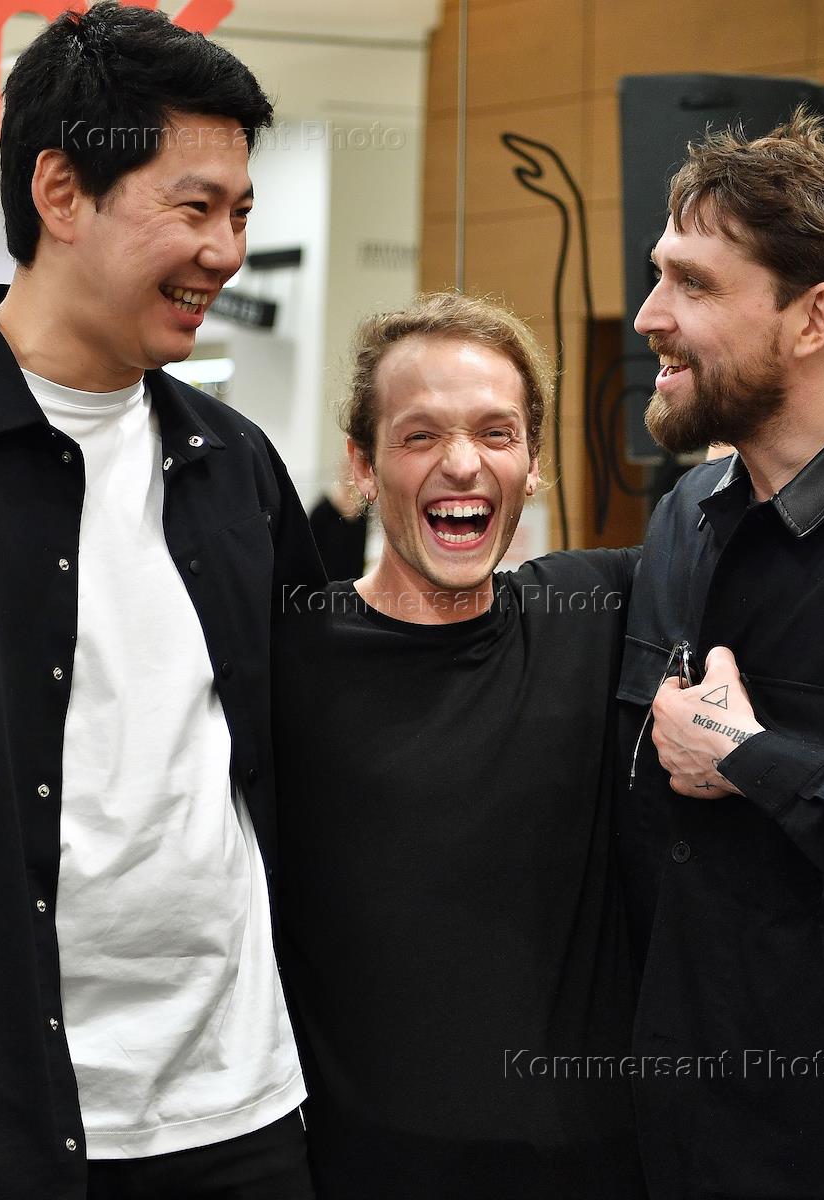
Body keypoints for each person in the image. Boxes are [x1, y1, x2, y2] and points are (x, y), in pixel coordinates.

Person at [0, 6, 324, 1198]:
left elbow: (310, 734)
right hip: (12, 1123)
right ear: (61, 193)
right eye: (194, 206)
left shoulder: (235, 464)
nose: (226, 252)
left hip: (241, 1109)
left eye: (240, 214)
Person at [618, 107, 824, 1198]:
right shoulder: (685, 516)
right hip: (671, 1138)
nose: (649, 316)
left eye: (692, 284)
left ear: (813, 319)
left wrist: (754, 761)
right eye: (657, 276)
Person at [273, 293, 645, 1199]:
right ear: (360, 466)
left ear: (533, 463)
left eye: (495, 432)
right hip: (361, 1171)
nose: (462, 463)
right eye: (419, 435)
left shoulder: (599, 612)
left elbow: (765, 503)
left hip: (594, 1170)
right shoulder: (281, 656)